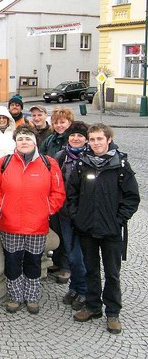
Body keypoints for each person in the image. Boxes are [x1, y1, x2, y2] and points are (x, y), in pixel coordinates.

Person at [68, 123, 139, 334]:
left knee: (112, 273)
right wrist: (77, 217)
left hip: (111, 231)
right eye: (92, 139)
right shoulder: (83, 165)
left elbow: (132, 197)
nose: (96, 143)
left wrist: (118, 219)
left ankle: (113, 313)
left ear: (108, 140)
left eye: (100, 139)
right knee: (91, 270)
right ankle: (93, 306)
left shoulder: (121, 166)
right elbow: (71, 194)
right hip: (87, 228)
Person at [0, 124, 65, 315]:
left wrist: (47, 210)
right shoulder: (2, 163)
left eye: (28, 139)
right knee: (12, 261)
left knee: (33, 262)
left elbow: (58, 192)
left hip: (37, 224)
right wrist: (1, 206)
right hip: (10, 223)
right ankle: (15, 296)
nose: (24, 142)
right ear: (15, 142)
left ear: (35, 142)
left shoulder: (49, 163)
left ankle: (32, 297)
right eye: (20, 139)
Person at [54, 121, 90, 311]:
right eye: (73, 135)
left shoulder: (91, 157)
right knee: (71, 253)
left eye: (80, 136)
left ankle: (83, 290)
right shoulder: (61, 156)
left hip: (85, 215)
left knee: (81, 256)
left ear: (86, 139)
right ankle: (75, 287)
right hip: (65, 213)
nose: (76, 138)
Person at [40, 106, 75, 284]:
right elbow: (41, 159)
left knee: (67, 231)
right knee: (56, 228)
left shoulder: (73, 139)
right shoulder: (50, 140)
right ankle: (58, 260)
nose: (59, 125)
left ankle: (67, 267)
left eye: (62, 122)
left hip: (67, 194)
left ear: (69, 122)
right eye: (56, 122)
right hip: (51, 191)